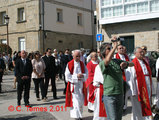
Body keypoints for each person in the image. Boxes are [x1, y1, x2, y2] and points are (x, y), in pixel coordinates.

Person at [93, 37, 134, 120]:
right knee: (113, 118)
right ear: (103, 52)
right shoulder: (102, 63)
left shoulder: (116, 61)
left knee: (118, 118)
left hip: (120, 94)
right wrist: (115, 46)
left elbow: (132, 64)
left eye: (111, 48)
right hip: (110, 95)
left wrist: (125, 64)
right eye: (109, 48)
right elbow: (107, 61)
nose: (111, 49)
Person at [130, 47, 153, 120]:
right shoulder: (133, 63)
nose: (142, 53)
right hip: (138, 86)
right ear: (135, 54)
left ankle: (146, 117)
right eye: (140, 52)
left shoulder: (145, 62)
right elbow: (131, 78)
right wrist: (133, 90)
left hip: (147, 84)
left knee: (147, 101)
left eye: (143, 52)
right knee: (138, 105)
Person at [65, 50, 88, 120]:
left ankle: (80, 115)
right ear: (73, 56)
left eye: (79, 56)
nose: (78, 58)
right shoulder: (69, 64)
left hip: (81, 84)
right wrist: (76, 76)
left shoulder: (82, 64)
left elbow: (86, 73)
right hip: (74, 85)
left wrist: (82, 75)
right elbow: (67, 76)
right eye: (76, 56)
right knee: (75, 101)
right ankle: (76, 116)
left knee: (80, 101)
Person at [114, 45, 131, 112]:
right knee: (120, 93)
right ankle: (119, 107)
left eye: (122, 48)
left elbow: (130, 65)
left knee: (126, 93)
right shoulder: (115, 57)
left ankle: (124, 106)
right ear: (117, 50)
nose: (121, 49)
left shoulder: (127, 57)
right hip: (120, 76)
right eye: (120, 48)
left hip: (127, 76)